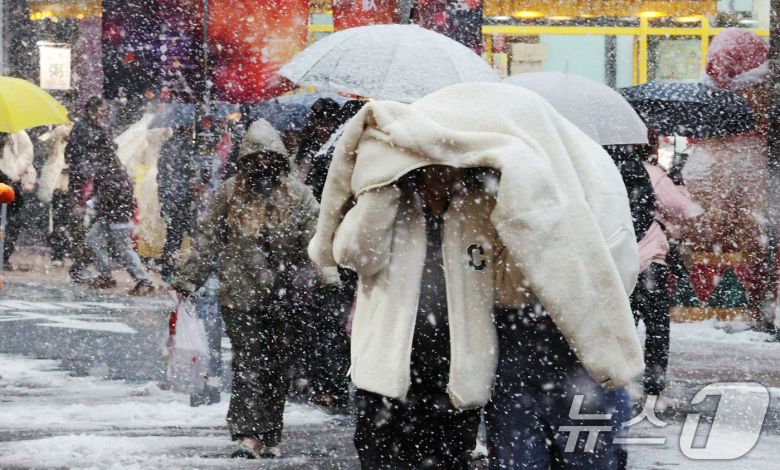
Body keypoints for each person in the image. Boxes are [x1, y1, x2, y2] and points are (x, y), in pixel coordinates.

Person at [309, 84, 642, 469]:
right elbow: (352, 255)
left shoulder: (479, 208)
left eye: (446, 165)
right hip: (386, 377)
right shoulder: (393, 205)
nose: (438, 175)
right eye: (426, 165)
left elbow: (516, 279)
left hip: (456, 379)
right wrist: (380, 193)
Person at [171, 119, 320, 459]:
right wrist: (188, 279)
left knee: (278, 367)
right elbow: (209, 240)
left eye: (269, 158)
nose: (262, 166)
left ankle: (270, 433)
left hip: (285, 297)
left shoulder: (298, 194)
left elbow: (316, 239)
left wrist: (327, 279)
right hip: (240, 296)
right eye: (256, 159)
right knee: (249, 364)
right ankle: (247, 433)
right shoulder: (230, 193)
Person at [635, 156, 703, 403]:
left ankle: (613, 382)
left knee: (621, 327)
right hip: (649, 262)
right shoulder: (651, 173)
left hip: (614, 260)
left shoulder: (598, 167)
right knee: (656, 329)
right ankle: (653, 389)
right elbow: (682, 209)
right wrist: (681, 189)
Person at [81, 97, 154, 295]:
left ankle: (144, 280)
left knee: (124, 249)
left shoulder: (111, 168)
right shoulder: (104, 166)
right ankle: (106, 276)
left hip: (118, 215)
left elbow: (115, 191)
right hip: (109, 214)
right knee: (93, 241)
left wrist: (97, 202)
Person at [63, 97, 105, 283]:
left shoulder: (99, 128)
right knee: (81, 226)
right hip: (82, 184)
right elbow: (71, 154)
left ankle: (83, 264)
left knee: (92, 226)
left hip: (94, 183)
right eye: (101, 109)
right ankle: (79, 266)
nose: (103, 113)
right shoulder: (82, 127)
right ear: (92, 110)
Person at [157, 125, 198, 280]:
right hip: (185, 199)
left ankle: (167, 272)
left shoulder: (167, 147)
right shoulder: (188, 147)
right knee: (194, 236)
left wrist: (164, 199)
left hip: (171, 199)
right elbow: (191, 172)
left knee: (173, 237)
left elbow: (161, 177)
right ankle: (189, 273)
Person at [0, 130, 36, 268]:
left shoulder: (17, 134)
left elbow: (27, 154)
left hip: (9, 182)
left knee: (12, 220)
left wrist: (13, 170)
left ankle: (4, 254)